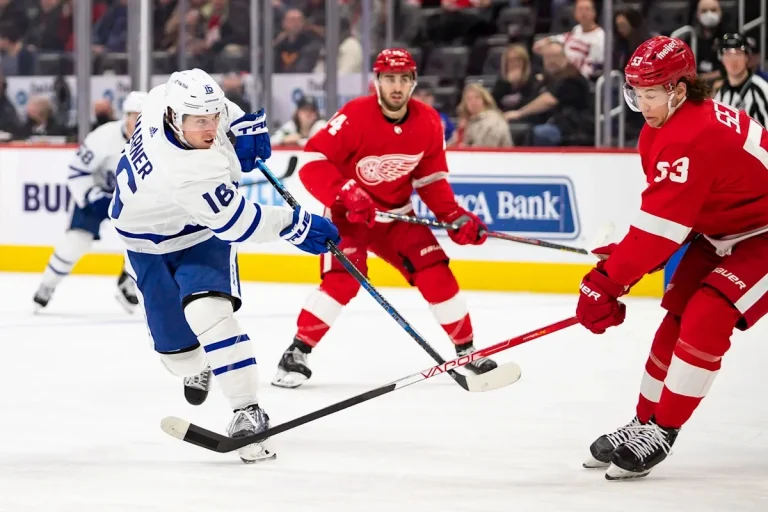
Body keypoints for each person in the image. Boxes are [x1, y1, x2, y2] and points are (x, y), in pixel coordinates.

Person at [108, 68, 339, 462]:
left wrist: (239, 123)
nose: (211, 127)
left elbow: (214, 108)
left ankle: (247, 411)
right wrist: (295, 225)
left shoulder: (161, 98)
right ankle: (204, 364)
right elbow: (240, 222)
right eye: (200, 122)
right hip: (144, 244)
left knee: (208, 312)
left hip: (198, 235)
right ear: (174, 119)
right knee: (177, 358)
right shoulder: (187, 171)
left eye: (213, 117)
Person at [576, 36, 768, 480]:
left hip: (761, 234)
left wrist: (606, 281)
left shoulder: (691, 133)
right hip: (722, 230)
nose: (642, 103)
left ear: (679, 89)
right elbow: (666, 216)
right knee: (676, 317)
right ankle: (643, 422)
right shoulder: (662, 127)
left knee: (708, 313)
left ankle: (663, 430)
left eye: (651, 92)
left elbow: (659, 231)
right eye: (636, 92)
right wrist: (629, 256)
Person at [271, 49, 499, 389]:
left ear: (413, 83)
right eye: (389, 78)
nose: (396, 86)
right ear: (376, 81)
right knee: (343, 279)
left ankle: (466, 350)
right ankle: (297, 351)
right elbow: (313, 161)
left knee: (436, 272)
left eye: (404, 79)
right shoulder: (354, 115)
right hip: (348, 214)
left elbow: (431, 180)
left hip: (396, 217)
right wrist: (346, 192)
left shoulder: (428, 122)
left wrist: (453, 216)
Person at [33, 91, 148, 312]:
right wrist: (91, 196)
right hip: (98, 195)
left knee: (147, 240)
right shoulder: (103, 137)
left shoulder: (156, 142)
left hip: (132, 200)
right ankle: (47, 285)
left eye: (145, 117)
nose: (140, 122)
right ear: (125, 116)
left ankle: (128, 284)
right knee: (76, 241)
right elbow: (77, 172)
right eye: (136, 116)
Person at [713, 33, 768, 128]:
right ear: (721, 58)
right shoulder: (721, 93)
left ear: (746, 57)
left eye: (738, 54)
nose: (733, 60)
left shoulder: (761, 88)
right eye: (728, 54)